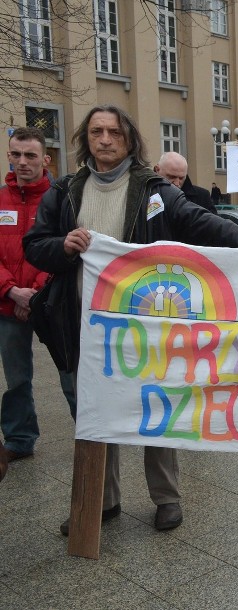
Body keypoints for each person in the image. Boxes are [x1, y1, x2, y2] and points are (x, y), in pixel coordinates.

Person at [23, 104, 238, 536]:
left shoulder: (152, 188)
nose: (105, 140)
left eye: (115, 133)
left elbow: (198, 220)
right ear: (86, 138)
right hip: (83, 324)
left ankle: (167, 499)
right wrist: (62, 246)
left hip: (145, 325)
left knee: (155, 407)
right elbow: (36, 244)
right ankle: (102, 502)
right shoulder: (65, 190)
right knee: (94, 414)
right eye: (97, 132)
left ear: (129, 141)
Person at [0, 128, 55, 464]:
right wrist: (11, 291)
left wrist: (32, 294)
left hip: (47, 302)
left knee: (72, 374)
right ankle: (20, 439)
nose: (22, 162)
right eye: (16, 154)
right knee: (17, 376)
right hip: (7, 302)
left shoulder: (58, 199)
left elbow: (62, 249)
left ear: (45, 159)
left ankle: (90, 434)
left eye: (30, 155)